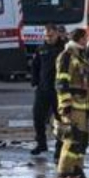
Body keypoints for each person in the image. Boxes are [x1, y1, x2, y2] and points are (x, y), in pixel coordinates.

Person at [45, 27, 89, 178]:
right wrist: (65, 104)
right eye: (85, 38)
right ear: (80, 39)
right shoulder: (66, 57)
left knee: (82, 141)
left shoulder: (81, 57)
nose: (87, 41)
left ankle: (77, 171)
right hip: (72, 106)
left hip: (83, 106)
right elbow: (61, 82)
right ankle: (64, 172)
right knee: (72, 140)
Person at [29, 24, 64, 156]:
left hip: (58, 90)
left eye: (51, 35)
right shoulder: (41, 48)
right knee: (37, 116)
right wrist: (35, 81)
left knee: (60, 120)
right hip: (43, 88)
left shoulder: (64, 49)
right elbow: (35, 66)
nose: (48, 38)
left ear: (57, 34)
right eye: (47, 35)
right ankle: (41, 143)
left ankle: (59, 147)